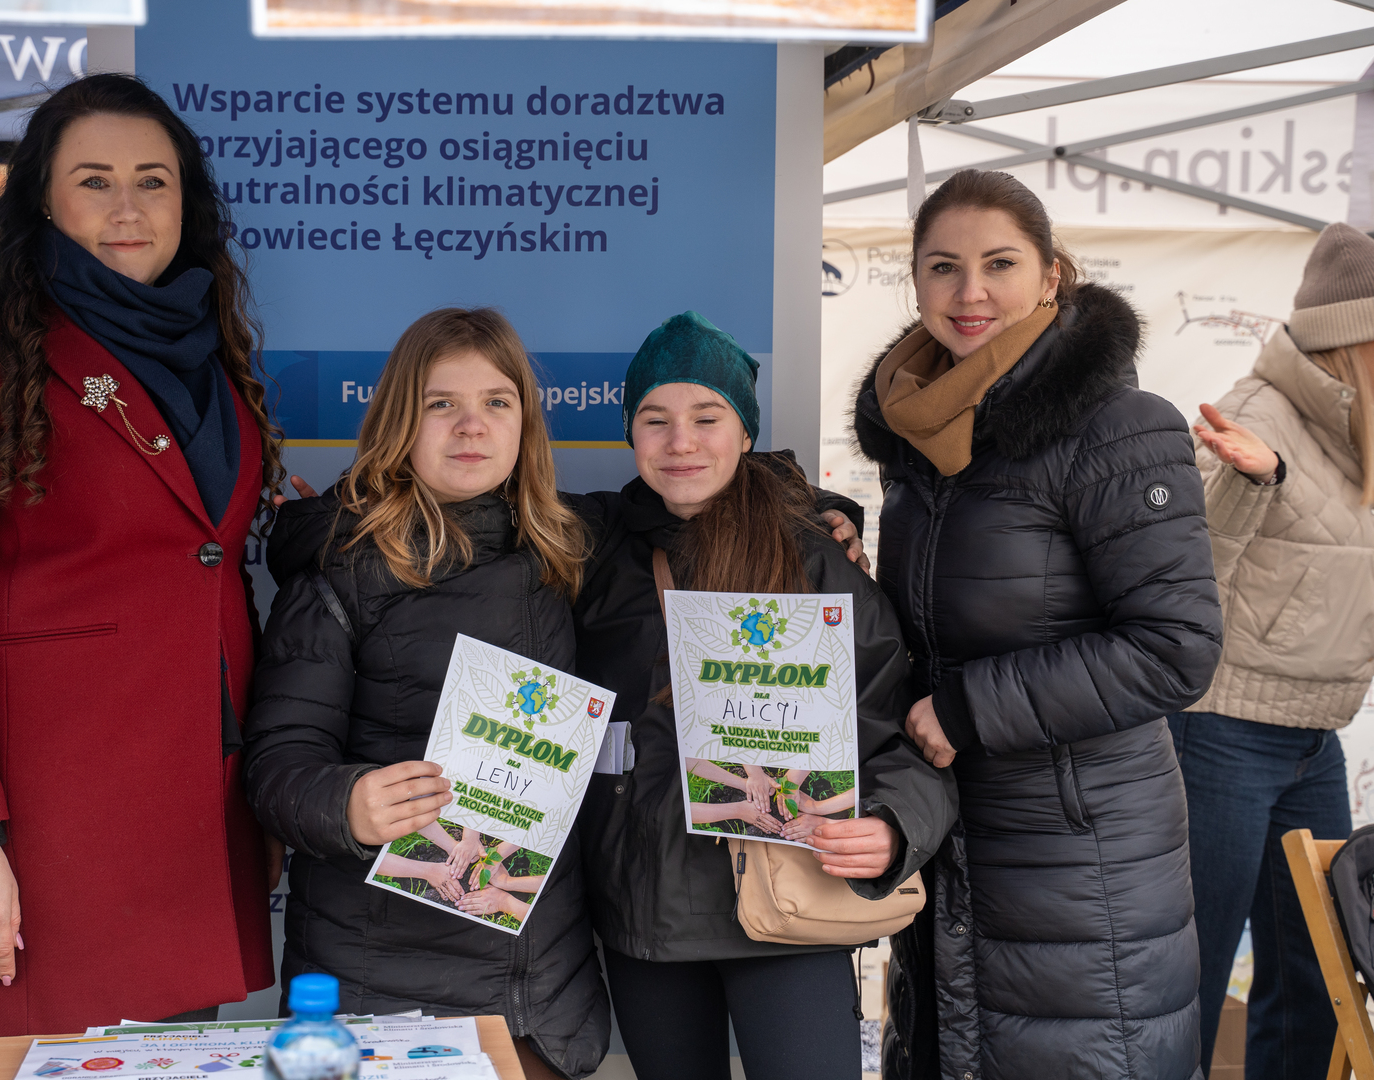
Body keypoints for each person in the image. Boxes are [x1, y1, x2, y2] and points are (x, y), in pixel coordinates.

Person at [0, 74, 282, 1035]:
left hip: (203, 809)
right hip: (55, 823)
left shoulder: (213, 356)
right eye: (95, 181)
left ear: (187, 202)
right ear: (44, 201)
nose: (128, 207)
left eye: (153, 181)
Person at [852, 169, 1224, 1079]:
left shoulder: (1119, 428)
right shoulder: (923, 440)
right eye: (943, 267)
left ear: (1051, 275)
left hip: (1080, 859)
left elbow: (1174, 649)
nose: (969, 292)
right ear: (915, 281)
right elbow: (944, 621)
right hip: (953, 834)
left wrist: (970, 707)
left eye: (999, 264)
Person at [568, 312, 956, 1080]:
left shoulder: (812, 558)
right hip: (646, 916)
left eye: (707, 417)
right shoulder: (590, 552)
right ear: (630, 433)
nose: (681, 442)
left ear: (745, 432)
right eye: (655, 419)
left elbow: (895, 734)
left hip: (788, 907)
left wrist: (891, 827)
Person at [241, 308, 607, 1080]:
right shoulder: (345, 568)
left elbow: (689, 510)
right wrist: (346, 804)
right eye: (442, 403)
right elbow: (278, 762)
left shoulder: (568, 549)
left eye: (496, 402)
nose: (471, 425)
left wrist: (826, 518)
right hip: (382, 994)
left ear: (525, 424)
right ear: (400, 422)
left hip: (540, 999)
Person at [1174, 221, 1374, 1080]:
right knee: (1190, 974)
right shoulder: (1256, 416)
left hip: (1312, 737)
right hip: (1218, 729)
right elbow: (1186, 574)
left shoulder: (1364, 434)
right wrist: (1255, 483)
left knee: (1319, 979)